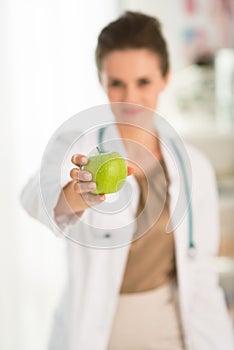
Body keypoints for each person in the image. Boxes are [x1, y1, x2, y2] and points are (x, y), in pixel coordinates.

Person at [20, 11, 234, 350]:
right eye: (117, 83)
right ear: (102, 82)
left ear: (165, 78)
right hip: (99, 329)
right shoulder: (80, 148)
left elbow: (201, 270)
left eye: (144, 82)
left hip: (175, 329)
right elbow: (34, 196)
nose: (130, 96)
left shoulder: (196, 165)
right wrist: (76, 196)